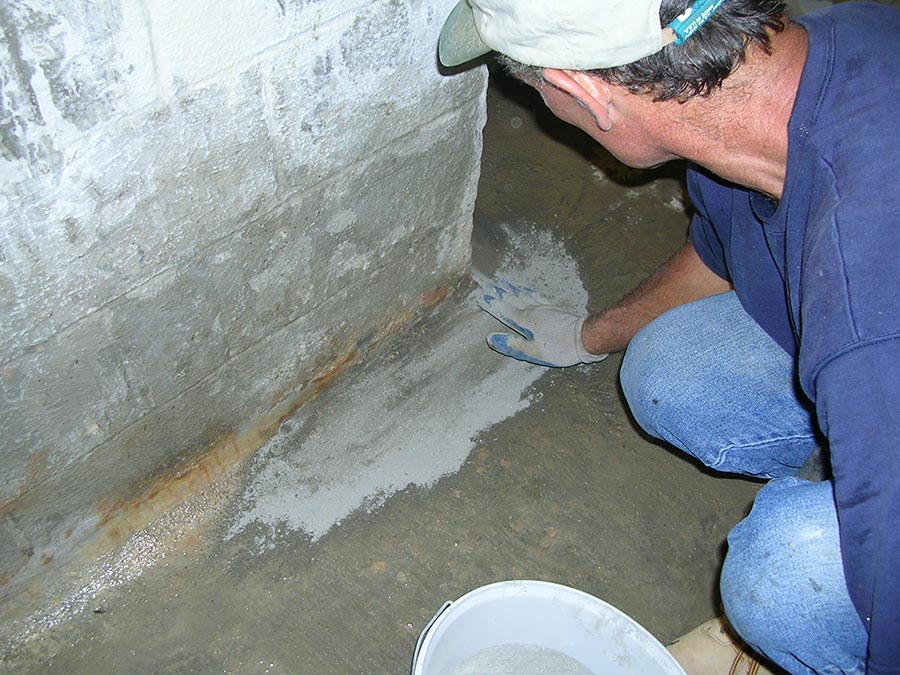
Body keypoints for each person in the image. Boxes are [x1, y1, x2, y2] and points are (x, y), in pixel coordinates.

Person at [438, 1, 900, 674]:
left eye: (537, 90)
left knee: (784, 573)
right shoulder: (812, 64)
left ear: (580, 90)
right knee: (671, 375)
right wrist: (587, 337)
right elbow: (722, 253)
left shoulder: (869, 314)